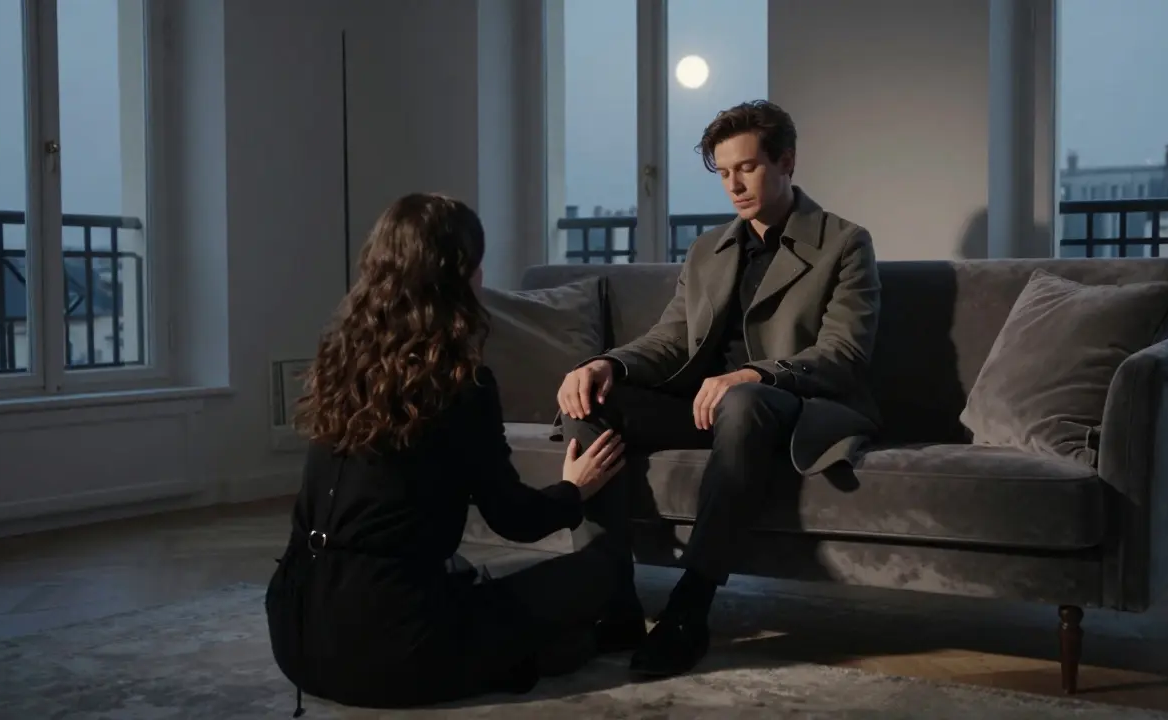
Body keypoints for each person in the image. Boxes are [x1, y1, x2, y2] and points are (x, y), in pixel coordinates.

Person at [265, 193, 629, 714]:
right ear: (459, 274)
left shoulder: (337, 362)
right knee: (600, 572)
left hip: (296, 638)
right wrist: (576, 488)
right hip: (395, 653)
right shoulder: (461, 384)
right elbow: (515, 519)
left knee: (451, 569)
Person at [556, 100, 883, 679]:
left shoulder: (845, 243)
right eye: (723, 172)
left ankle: (690, 607)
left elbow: (844, 355)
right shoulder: (709, 248)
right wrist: (607, 363)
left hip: (790, 404)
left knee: (743, 400)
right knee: (589, 400)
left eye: (748, 168)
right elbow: (672, 338)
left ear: (787, 162)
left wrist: (756, 374)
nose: (734, 185)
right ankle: (611, 600)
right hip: (706, 406)